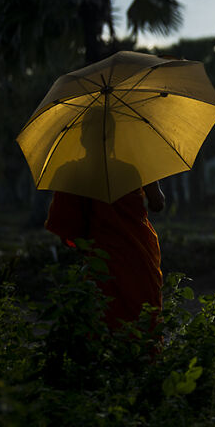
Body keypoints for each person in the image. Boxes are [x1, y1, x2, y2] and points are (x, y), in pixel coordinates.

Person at [44, 107, 165, 342]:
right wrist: (148, 167)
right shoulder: (131, 169)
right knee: (142, 332)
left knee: (102, 330)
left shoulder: (72, 174)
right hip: (137, 261)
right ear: (113, 137)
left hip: (99, 265)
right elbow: (158, 204)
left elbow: (67, 233)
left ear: (82, 139)